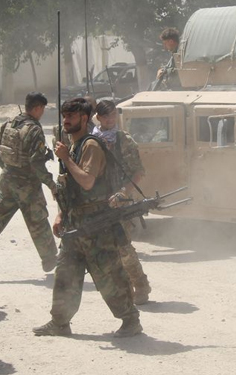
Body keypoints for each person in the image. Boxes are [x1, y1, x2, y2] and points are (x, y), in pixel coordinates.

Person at [33, 97, 142, 338]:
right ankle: (60, 322)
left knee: (109, 276)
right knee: (65, 274)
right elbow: (69, 187)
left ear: (84, 118)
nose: (66, 121)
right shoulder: (72, 146)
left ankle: (130, 320)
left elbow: (87, 181)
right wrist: (61, 214)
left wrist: (66, 159)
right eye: (64, 116)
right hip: (75, 224)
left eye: (71, 116)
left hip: (96, 225)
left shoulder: (90, 145)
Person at [0, 92, 58, 280]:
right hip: (27, 185)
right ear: (38, 108)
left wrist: (10, 171)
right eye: (43, 109)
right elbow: (36, 163)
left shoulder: (9, 124)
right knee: (38, 220)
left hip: (7, 180)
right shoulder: (33, 130)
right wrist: (51, 184)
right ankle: (50, 260)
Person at [92, 100, 151, 304]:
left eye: (113, 115)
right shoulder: (91, 140)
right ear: (98, 117)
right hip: (96, 202)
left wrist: (123, 192)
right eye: (106, 116)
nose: (110, 120)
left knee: (123, 247)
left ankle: (141, 285)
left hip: (120, 202)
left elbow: (138, 172)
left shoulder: (123, 140)